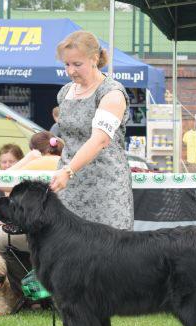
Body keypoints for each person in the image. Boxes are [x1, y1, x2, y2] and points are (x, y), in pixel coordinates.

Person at [50, 30, 134, 230]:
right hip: (69, 187)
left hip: (105, 187)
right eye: (66, 64)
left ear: (94, 58)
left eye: (77, 64)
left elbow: (100, 140)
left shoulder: (111, 93)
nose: (71, 71)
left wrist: (68, 170)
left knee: (110, 251)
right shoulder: (65, 93)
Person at [0, 132, 63, 299]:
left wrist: (27, 159)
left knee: (3, 242)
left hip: (45, 237)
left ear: (34, 150)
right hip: (71, 235)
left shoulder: (36, 164)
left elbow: (1, 183)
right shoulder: (68, 163)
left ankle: (26, 295)